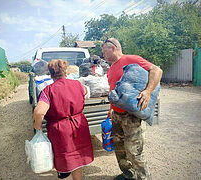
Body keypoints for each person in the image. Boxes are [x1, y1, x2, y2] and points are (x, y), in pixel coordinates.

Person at [102, 38, 163, 180]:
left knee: (134, 151)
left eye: (104, 51)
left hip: (131, 116)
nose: (103, 55)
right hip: (116, 114)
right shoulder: (111, 69)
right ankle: (128, 174)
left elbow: (157, 70)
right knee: (119, 148)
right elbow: (116, 90)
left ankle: (143, 177)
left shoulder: (131, 59)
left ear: (113, 48)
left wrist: (148, 91)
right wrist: (111, 108)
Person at [33, 59, 94, 180]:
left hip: (61, 131)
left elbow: (39, 112)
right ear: (66, 71)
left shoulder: (48, 90)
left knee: (65, 161)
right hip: (79, 125)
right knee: (77, 158)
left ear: (50, 74)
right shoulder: (78, 85)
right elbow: (86, 92)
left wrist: (37, 126)